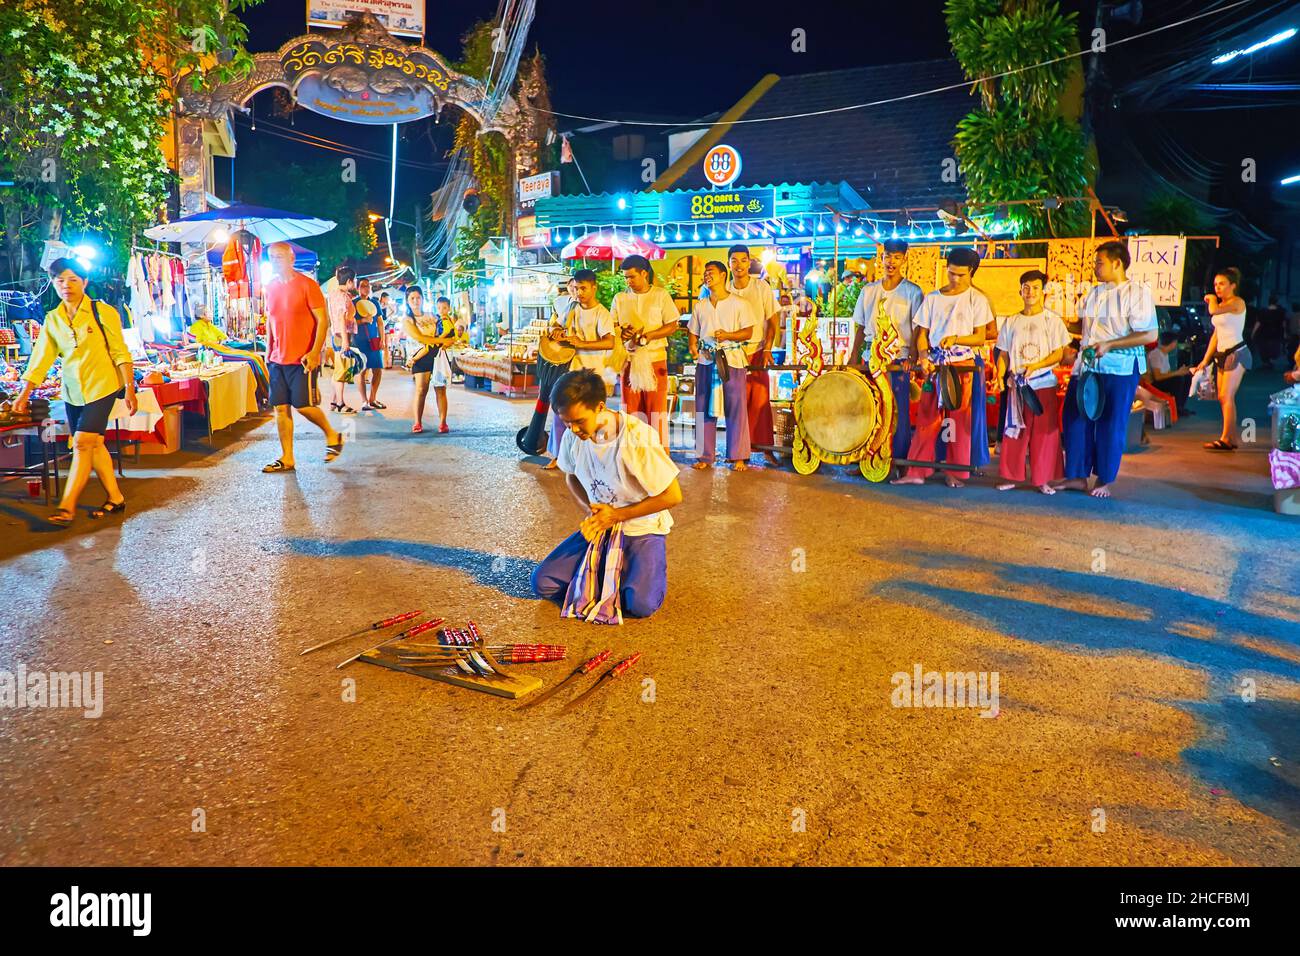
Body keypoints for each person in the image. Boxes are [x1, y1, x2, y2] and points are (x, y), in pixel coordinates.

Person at [530, 369, 683, 621]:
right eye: (566, 422)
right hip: (603, 528)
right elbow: (571, 476)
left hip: (641, 530)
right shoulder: (572, 435)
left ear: (600, 406)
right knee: (543, 583)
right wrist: (592, 510)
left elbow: (672, 495)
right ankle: (610, 570)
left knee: (641, 605)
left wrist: (617, 515)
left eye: (579, 421)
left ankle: (626, 570)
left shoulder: (636, 437)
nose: (573, 429)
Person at [11, 258, 136, 524]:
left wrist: (130, 389)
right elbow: (41, 359)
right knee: (95, 444)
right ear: (53, 283)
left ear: (85, 282)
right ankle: (115, 497)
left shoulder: (102, 312)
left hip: (102, 386)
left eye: (72, 279)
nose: (65, 285)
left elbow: (120, 352)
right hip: (72, 391)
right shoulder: (52, 319)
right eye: (59, 280)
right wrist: (24, 394)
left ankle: (67, 506)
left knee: (81, 443)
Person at [1056, 240, 1158, 498]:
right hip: (1088, 365)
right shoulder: (1094, 293)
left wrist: (1111, 344)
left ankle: (1104, 478)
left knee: (1110, 423)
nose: (1095, 268)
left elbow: (1148, 334)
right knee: (1075, 418)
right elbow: (1087, 329)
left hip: (1120, 367)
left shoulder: (1137, 293)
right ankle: (1077, 476)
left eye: (1099, 263)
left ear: (1117, 263)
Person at [892, 247, 995, 488]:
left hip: (962, 366)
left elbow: (980, 337)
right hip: (935, 365)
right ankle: (916, 471)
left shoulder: (977, 299)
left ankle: (955, 471)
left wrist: (956, 338)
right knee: (927, 417)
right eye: (951, 273)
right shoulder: (933, 298)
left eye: (961, 274)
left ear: (971, 272)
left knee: (958, 421)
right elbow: (922, 333)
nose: (955, 279)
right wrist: (924, 356)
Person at [260, 242, 344, 473]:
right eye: (272, 257)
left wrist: (315, 351)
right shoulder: (270, 287)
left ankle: (332, 435)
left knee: (303, 405)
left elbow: (323, 321)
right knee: (280, 408)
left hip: (303, 358)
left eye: (280, 256)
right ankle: (287, 457)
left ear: (291, 258)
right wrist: (269, 350)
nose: (276, 261)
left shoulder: (308, 285)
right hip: (277, 358)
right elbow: (271, 319)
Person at [848, 238, 925, 467]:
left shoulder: (913, 292)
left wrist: (913, 355)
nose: (892, 261)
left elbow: (917, 327)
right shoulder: (868, 290)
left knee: (897, 411)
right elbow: (860, 326)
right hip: (869, 357)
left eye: (897, 257)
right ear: (881, 257)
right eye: (888, 256)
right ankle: (864, 460)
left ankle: (898, 461)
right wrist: (853, 357)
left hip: (897, 359)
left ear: (904, 259)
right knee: (867, 409)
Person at [992, 270, 1069, 494]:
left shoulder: (1052, 320)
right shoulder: (1011, 321)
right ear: (1020, 291)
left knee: (1044, 434)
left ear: (1043, 291)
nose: (1030, 292)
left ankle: (1043, 478)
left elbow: (1059, 353)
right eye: (1026, 287)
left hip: (1042, 384)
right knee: (1014, 430)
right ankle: (1010, 476)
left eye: (1035, 287)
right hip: (1017, 386)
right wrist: (999, 375)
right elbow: (1003, 354)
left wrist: (1036, 366)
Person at [543, 269, 616, 470]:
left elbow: (609, 342)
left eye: (583, 288)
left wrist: (582, 343)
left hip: (592, 375)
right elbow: (556, 325)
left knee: (589, 418)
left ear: (594, 288)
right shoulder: (571, 307)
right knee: (561, 413)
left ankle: (593, 457)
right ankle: (559, 456)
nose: (579, 292)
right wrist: (556, 332)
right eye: (575, 288)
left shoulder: (602, 313)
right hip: (569, 370)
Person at [689, 260, 753, 471]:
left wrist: (728, 335)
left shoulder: (739, 303)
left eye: (711, 273)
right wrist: (693, 347)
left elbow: (748, 332)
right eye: (705, 273)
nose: (707, 276)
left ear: (723, 275)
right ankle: (704, 456)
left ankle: (738, 456)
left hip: (732, 361)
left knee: (736, 407)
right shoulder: (700, 306)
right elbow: (693, 332)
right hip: (706, 360)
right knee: (702, 406)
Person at [610, 255, 679, 445]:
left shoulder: (660, 295)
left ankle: (658, 455)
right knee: (630, 410)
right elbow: (613, 327)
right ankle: (632, 453)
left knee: (655, 411)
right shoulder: (620, 298)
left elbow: (672, 325)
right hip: (629, 360)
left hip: (655, 359)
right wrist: (622, 333)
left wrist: (650, 336)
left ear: (644, 273)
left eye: (632, 276)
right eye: (625, 277)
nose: (628, 281)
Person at [726, 244, 781, 463]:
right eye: (734, 260)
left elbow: (773, 319)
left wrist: (768, 348)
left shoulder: (761, 287)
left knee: (760, 402)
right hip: (731, 353)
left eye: (743, 260)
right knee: (733, 402)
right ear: (729, 263)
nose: (739, 265)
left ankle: (766, 449)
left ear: (749, 262)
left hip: (757, 350)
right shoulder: (724, 289)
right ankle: (737, 450)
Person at [1190, 268, 1250, 451]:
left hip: (1237, 353)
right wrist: (1205, 360)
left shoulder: (1237, 303)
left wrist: (1212, 300)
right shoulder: (1223, 306)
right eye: (1215, 284)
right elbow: (1216, 336)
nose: (1217, 287)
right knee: (1224, 398)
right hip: (1222, 355)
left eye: (1222, 284)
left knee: (1226, 395)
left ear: (1233, 285)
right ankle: (1231, 438)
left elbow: (1213, 309)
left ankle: (1226, 438)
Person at [403, 289, 458, 433]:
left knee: (440, 389)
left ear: (422, 299)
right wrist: (442, 340)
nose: (416, 301)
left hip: (437, 355)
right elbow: (421, 338)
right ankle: (417, 422)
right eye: (412, 298)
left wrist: (449, 341)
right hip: (420, 357)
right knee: (421, 389)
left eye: (418, 297)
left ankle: (443, 422)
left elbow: (445, 330)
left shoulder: (432, 316)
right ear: (408, 301)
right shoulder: (408, 320)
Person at [326, 266, 359, 414]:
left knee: (339, 370)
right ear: (350, 281)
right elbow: (341, 318)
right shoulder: (342, 296)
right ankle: (340, 403)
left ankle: (334, 401)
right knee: (341, 371)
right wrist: (346, 340)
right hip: (341, 336)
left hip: (338, 335)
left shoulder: (334, 294)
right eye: (355, 280)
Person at [351, 277, 386, 411]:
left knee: (377, 369)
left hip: (374, 340)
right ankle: (364, 401)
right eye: (363, 286)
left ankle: (373, 398)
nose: (366, 288)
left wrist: (382, 339)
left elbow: (380, 322)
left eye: (368, 286)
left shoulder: (375, 303)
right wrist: (362, 320)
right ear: (358, 288)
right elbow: (349, 323)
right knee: (362, 370)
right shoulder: (353, 303)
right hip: (359, 341)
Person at [1146, 331, 1192, 415]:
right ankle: (1177, 407)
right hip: (1155, 383)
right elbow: (1157, 377)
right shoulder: (1156, 354)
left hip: (1163, 380)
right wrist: (1177, 373)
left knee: (1186, 377)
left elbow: (1167, 373)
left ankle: (1180, 406)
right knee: (1177, 379)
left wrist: (1179, 372)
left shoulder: (1165, 354)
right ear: (1172, 343)